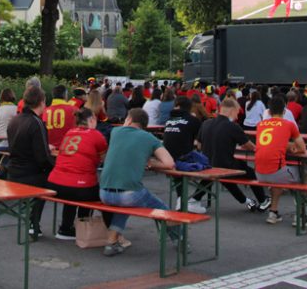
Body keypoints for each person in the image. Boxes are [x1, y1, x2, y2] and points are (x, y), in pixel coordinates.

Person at [98, 108, 176, 257]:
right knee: (163, 209)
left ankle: (111, 243)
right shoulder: (149, 138)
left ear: (128, 120)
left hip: (104, 192)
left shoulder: (115, 132)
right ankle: (180, 239)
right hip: (129, 194)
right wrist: (151, 163)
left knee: (125, 206)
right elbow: (169, 163)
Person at [47, 108, 111, 240]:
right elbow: (107, 159)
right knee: (102, 195)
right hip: (80, 188)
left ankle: (65, 227)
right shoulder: (95, 135)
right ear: (92, 120)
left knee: (72, 186)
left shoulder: (69, 132)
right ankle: (101, 230)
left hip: (55, 183)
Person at [198, 97, 268, 213]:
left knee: (224, 178)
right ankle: (263, 200)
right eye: (237, 112)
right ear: (231, 110)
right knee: (250, 173)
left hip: (207, 163)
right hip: (225, 165)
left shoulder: (206, 123)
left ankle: (246, 201)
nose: (237, 116)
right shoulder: (232, 126)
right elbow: (249, 146)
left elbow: (199, 145)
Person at [7, 86, 55, 241]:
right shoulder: (37, 123)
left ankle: (33, 222)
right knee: (51, 180)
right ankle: (34, 223)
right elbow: (43, 158)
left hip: (13, 172)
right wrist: (55, 168)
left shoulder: (15, 120)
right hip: (31, 175)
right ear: (41, 102)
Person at [254, 96, 307, 225]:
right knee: (302, 177)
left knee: (278, 179)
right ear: (284, 111)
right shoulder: (288, 124)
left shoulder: (260, 125)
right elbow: (302, 148)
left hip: (259, 172)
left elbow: (271, 142)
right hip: (276, 171)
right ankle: (301, 216)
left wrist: (285, 146)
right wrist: (293, 149)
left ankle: (273, 212)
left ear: (269, 111)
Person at [162, 96, 205, 212]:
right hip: (183, 159)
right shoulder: (193, 120)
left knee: (177, 157)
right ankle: (194, 200)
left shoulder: (169, 120)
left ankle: (181, 198)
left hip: (166, 159)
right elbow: (200, 141)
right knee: (213, 165)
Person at [43, 84, 78, 150]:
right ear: (65, 95)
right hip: (69, 150)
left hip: (49, 151)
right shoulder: (74, 110)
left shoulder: (45, 111)